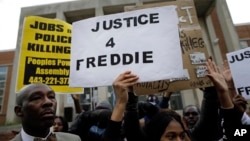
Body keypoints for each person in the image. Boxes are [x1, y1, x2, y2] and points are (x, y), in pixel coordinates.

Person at [10, 83, 81, 141]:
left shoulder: (74, 139)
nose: (48, 102)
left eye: (51, 97)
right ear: (19, 111)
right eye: (36, 98)